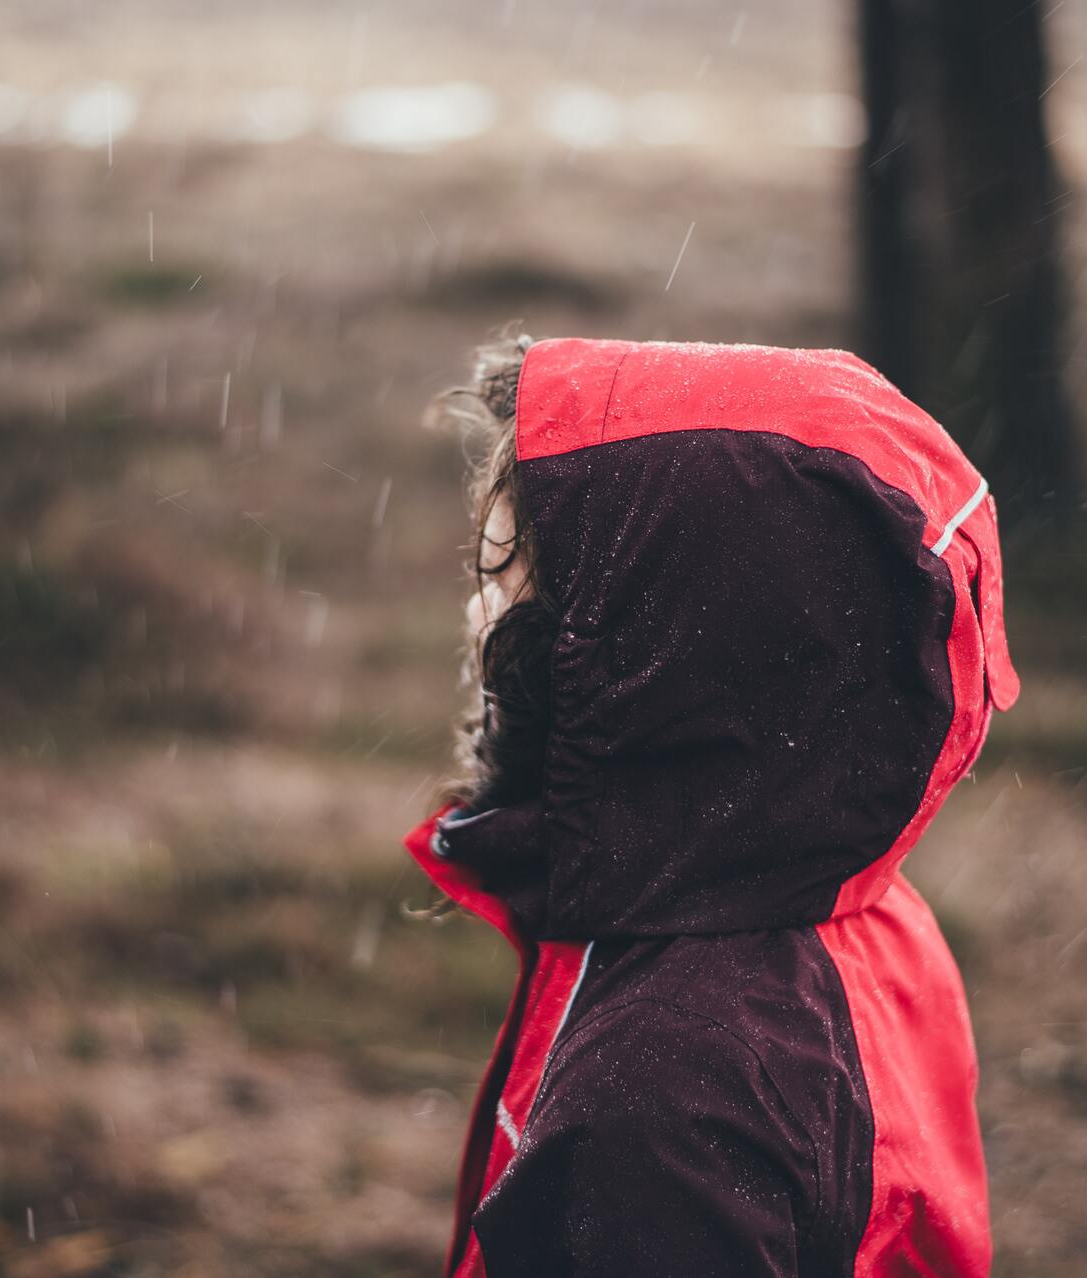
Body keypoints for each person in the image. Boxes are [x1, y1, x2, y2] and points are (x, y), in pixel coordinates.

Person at [405, 335, 1019, 1277]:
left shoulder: (661, 1107)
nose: (479, 619)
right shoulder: (846, 906)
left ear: (660, 659)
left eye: (506, 582)